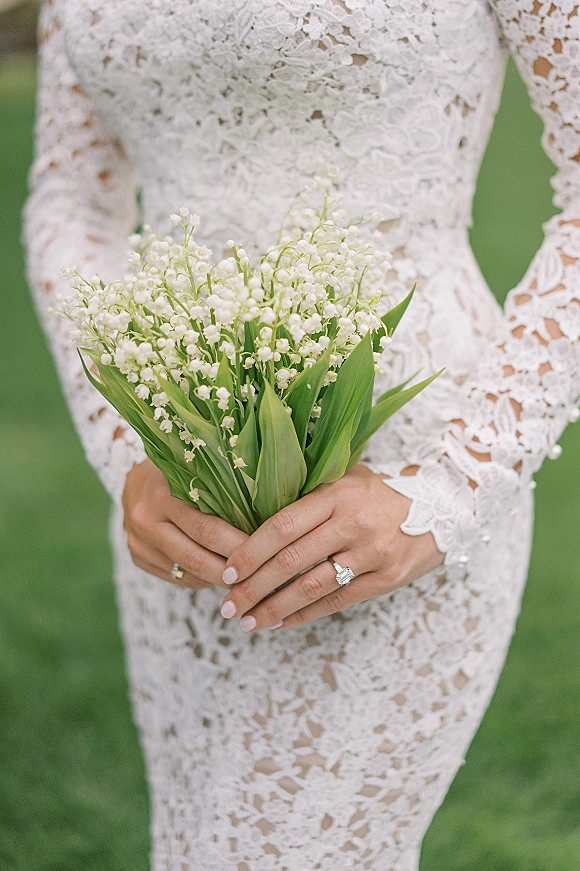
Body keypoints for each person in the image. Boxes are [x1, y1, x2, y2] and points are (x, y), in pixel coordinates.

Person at [24, 1, 580, 868]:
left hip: (399, 480)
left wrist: (444, 494)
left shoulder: (426, 492)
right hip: (183, 478)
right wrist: (127, 447)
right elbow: (71, 205)